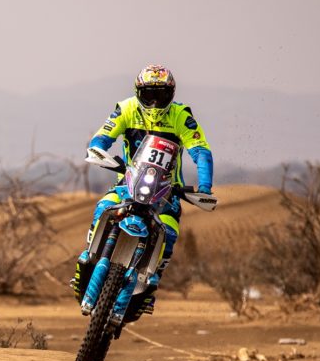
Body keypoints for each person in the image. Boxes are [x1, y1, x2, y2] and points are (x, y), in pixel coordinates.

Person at [71, 64, 214, 322]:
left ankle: (150, 286)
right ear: (138, 92)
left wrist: (204, 186)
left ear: (171, 94)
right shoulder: (126, 108)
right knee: (104, 207)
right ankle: (88, 257)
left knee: (169, 232)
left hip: (167, 192)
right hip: (127, 184)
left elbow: (200, 151)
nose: (156, 102)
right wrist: (98, 149)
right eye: (149, 94)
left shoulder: (182, 116)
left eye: (161, 95)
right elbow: (103, 136)